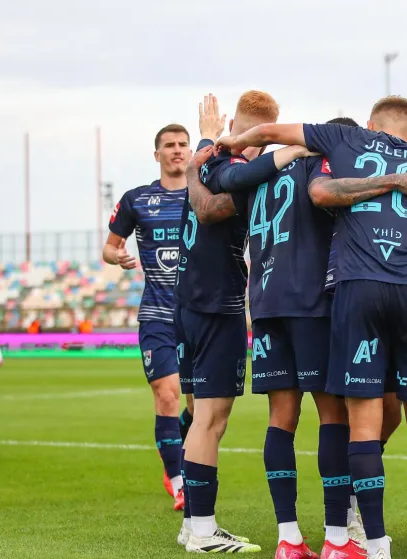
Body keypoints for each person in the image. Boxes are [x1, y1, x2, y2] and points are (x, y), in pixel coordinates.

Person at [217, 95, 407, 559]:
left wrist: (228, 139)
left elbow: (263, 149)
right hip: (399, 292)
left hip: (318, 294)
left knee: (341, 419)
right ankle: (406, 540)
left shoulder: (343, 142)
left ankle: (350, 540)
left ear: (372, 125)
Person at [176, 91, 324, 554]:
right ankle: (201, 531)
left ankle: (192, 524)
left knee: (203, 416)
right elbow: (211, 207)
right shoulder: (235, 169)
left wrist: (203, 149)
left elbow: (204, 189)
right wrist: (293, 150)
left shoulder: (209, 157)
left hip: (189, 300)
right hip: (215, 304)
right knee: (210, 419)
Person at [104, 122, 199, 510]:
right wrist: (119, 258)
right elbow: (110, 247)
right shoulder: (137, 199)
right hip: (157, 315)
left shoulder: (204, 195)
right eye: (169, 146)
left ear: (190, 151)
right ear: (156, 153)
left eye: (182, 145)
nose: (177, 150)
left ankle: (172, 452)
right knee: (168, 394)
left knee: (197, 408)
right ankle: (178, 482)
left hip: (199, 317)